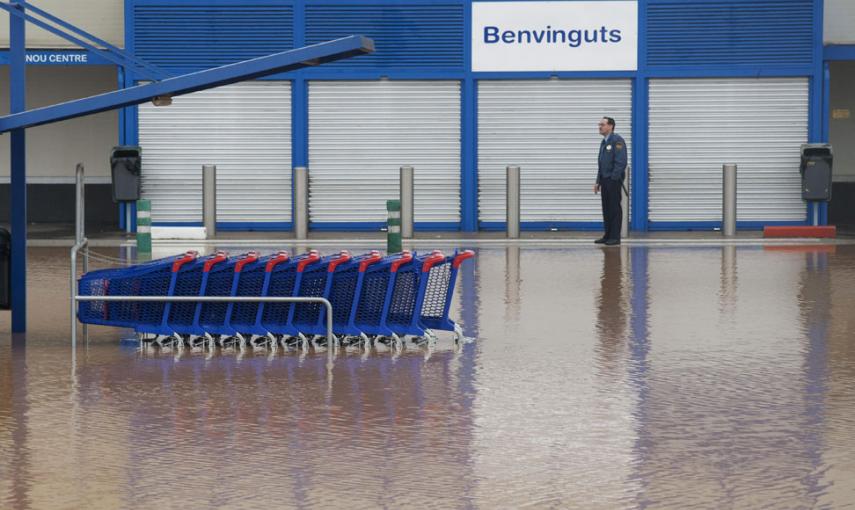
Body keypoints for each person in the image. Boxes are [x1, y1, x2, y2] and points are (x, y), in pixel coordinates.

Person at [593, 117, 627, 246]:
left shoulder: (617, 140)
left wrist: (613, 178)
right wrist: (598, 181)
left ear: (611, 126)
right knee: (606, 209)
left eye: (602, 124)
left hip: (613, 180)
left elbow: (621, 162)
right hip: (605, 180)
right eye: (599, 124)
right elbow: (601, 164)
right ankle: (607, 235)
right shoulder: (604, 142)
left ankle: (615, 237)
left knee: (614, 209)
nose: (599, 126)